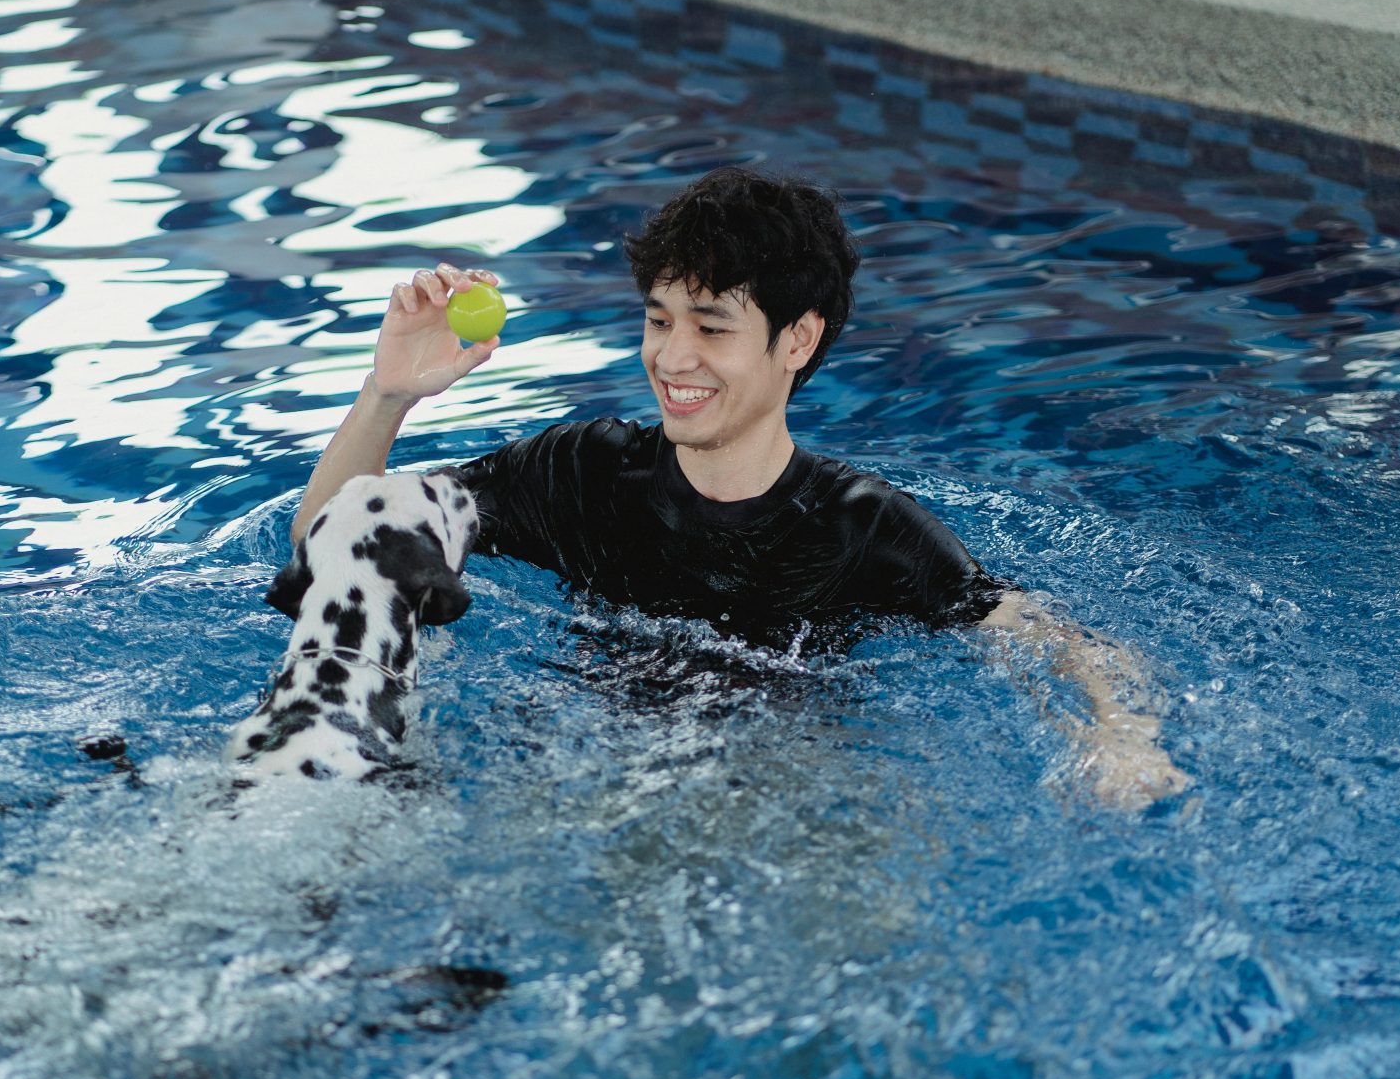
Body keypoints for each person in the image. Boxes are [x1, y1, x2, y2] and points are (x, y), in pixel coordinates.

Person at [284, 166, 1189, 809]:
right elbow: (338, 543)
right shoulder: (583, 474)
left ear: (797, 340)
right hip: (573, 768)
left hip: (776, 787)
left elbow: (1049, 637)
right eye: (659, 318)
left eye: (711, 327)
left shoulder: (861, 529)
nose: (673, 358)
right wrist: (388, 394)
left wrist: (1120, 735)